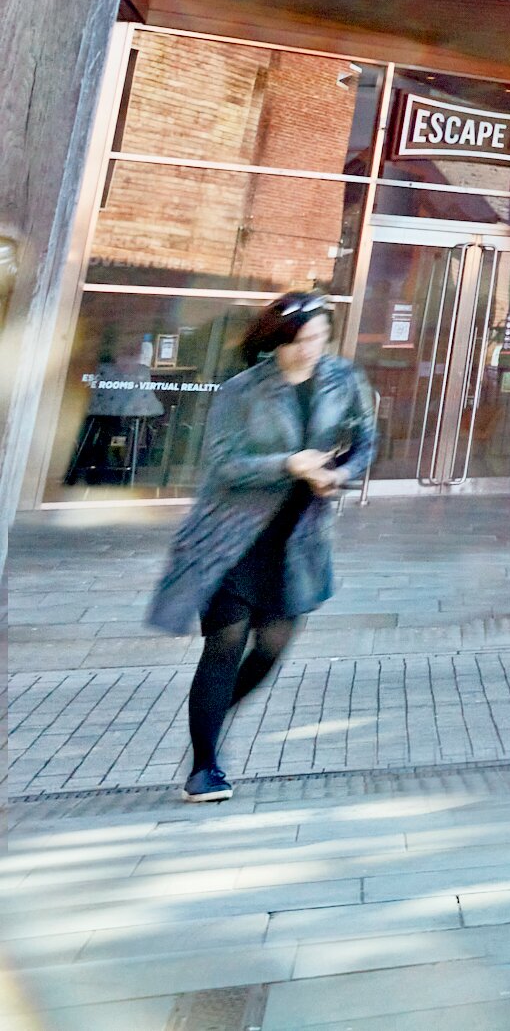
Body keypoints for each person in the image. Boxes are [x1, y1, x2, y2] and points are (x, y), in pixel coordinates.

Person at [147, 291, 376, 802]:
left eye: (318, 337)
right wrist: (289, 464)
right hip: (231, 539)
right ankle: (204, 766)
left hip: (297, 541)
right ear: (277, 341)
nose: (311, 348)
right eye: (300, 341)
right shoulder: (241, 391)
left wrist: (337, 475)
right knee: (223, 647)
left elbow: (365, 439)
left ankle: (212, 711)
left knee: (270, 651)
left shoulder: (343, 380)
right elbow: (222, 465)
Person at [70, 338, 166, 487]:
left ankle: (94, 467)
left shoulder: (135, 370)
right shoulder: (132, 369)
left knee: (98, 433)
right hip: (110, 415)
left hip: (110, 415)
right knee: (100, 431)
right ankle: (104, 466)